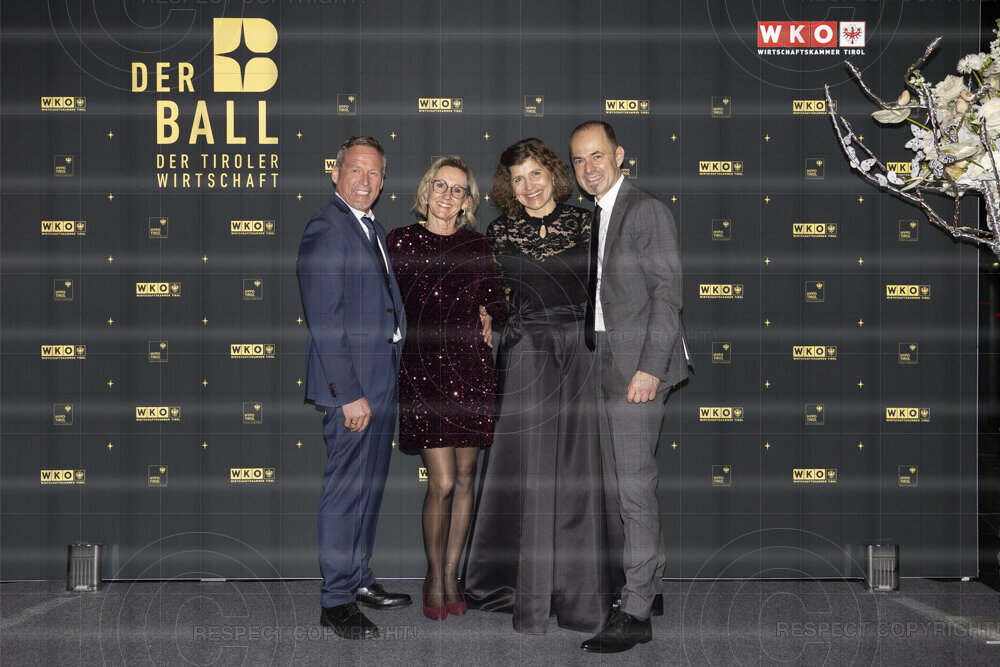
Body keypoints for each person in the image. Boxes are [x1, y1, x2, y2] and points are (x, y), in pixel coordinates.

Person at [463, 138, 613, 634]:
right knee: (527, 470)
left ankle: (580, 592)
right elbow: (492, 297)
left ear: (552, 174)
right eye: (517, 178)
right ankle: (521, 588)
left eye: (535, 174)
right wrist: (488, 317)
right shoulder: (499, 232)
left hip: (580, 354)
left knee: (578, 471)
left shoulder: (588, 223)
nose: (528, 186)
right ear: (508, 186)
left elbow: (608, 290)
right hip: (526, 354)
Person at [569, 121, 690, 653]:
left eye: (597, 156)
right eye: (579, 160)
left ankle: (636, 612)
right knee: (625, 487)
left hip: (638, 366)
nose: (588, 168)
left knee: (634, 490)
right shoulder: (596, 214)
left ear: (619, 155)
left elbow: (667, 296)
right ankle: (650, 586)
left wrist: (650, 368)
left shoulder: (646, 211)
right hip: (603, 360)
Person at [296, 136, 411, 641]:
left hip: (382, 382)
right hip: (354, 388)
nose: (365, 181)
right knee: (346, 492)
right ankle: (336, 599)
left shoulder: (372, 227)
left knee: (369, 488)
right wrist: (347, 393)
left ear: (383, 180)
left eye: (374, 173)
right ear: (336, 172)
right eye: (356, 171)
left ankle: (358, 578)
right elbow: (324, 320)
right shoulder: (327, 228)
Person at [386, 156, 507, 620]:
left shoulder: (477, 244)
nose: (447, 195)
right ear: (426, 190)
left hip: (472, 372)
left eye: (458, 190)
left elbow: (497, 302)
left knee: (465, 479)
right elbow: (380, 298)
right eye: (440, 185)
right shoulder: (401, 241)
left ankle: (454, 574)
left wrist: (490, 312)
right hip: (424, 374)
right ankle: (434, 575)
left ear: (468, 201)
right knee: (441, 483)